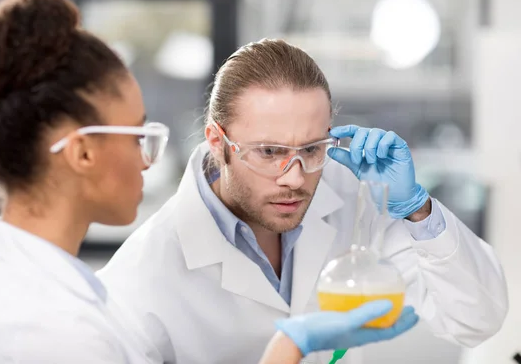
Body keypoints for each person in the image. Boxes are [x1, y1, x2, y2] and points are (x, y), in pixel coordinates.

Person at [0, 0, 418, 364]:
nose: (146, 160)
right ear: (83, 152)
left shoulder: (48, 290)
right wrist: (291, 346)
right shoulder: (46, 333)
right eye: (137, 135)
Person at [98, 38, 509, 364]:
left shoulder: (348, 195)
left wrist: (417, 209)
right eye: (269, 152)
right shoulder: (142, 276)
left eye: (312, 149)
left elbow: (476, 320)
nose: (295, 177)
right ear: (217, 142)